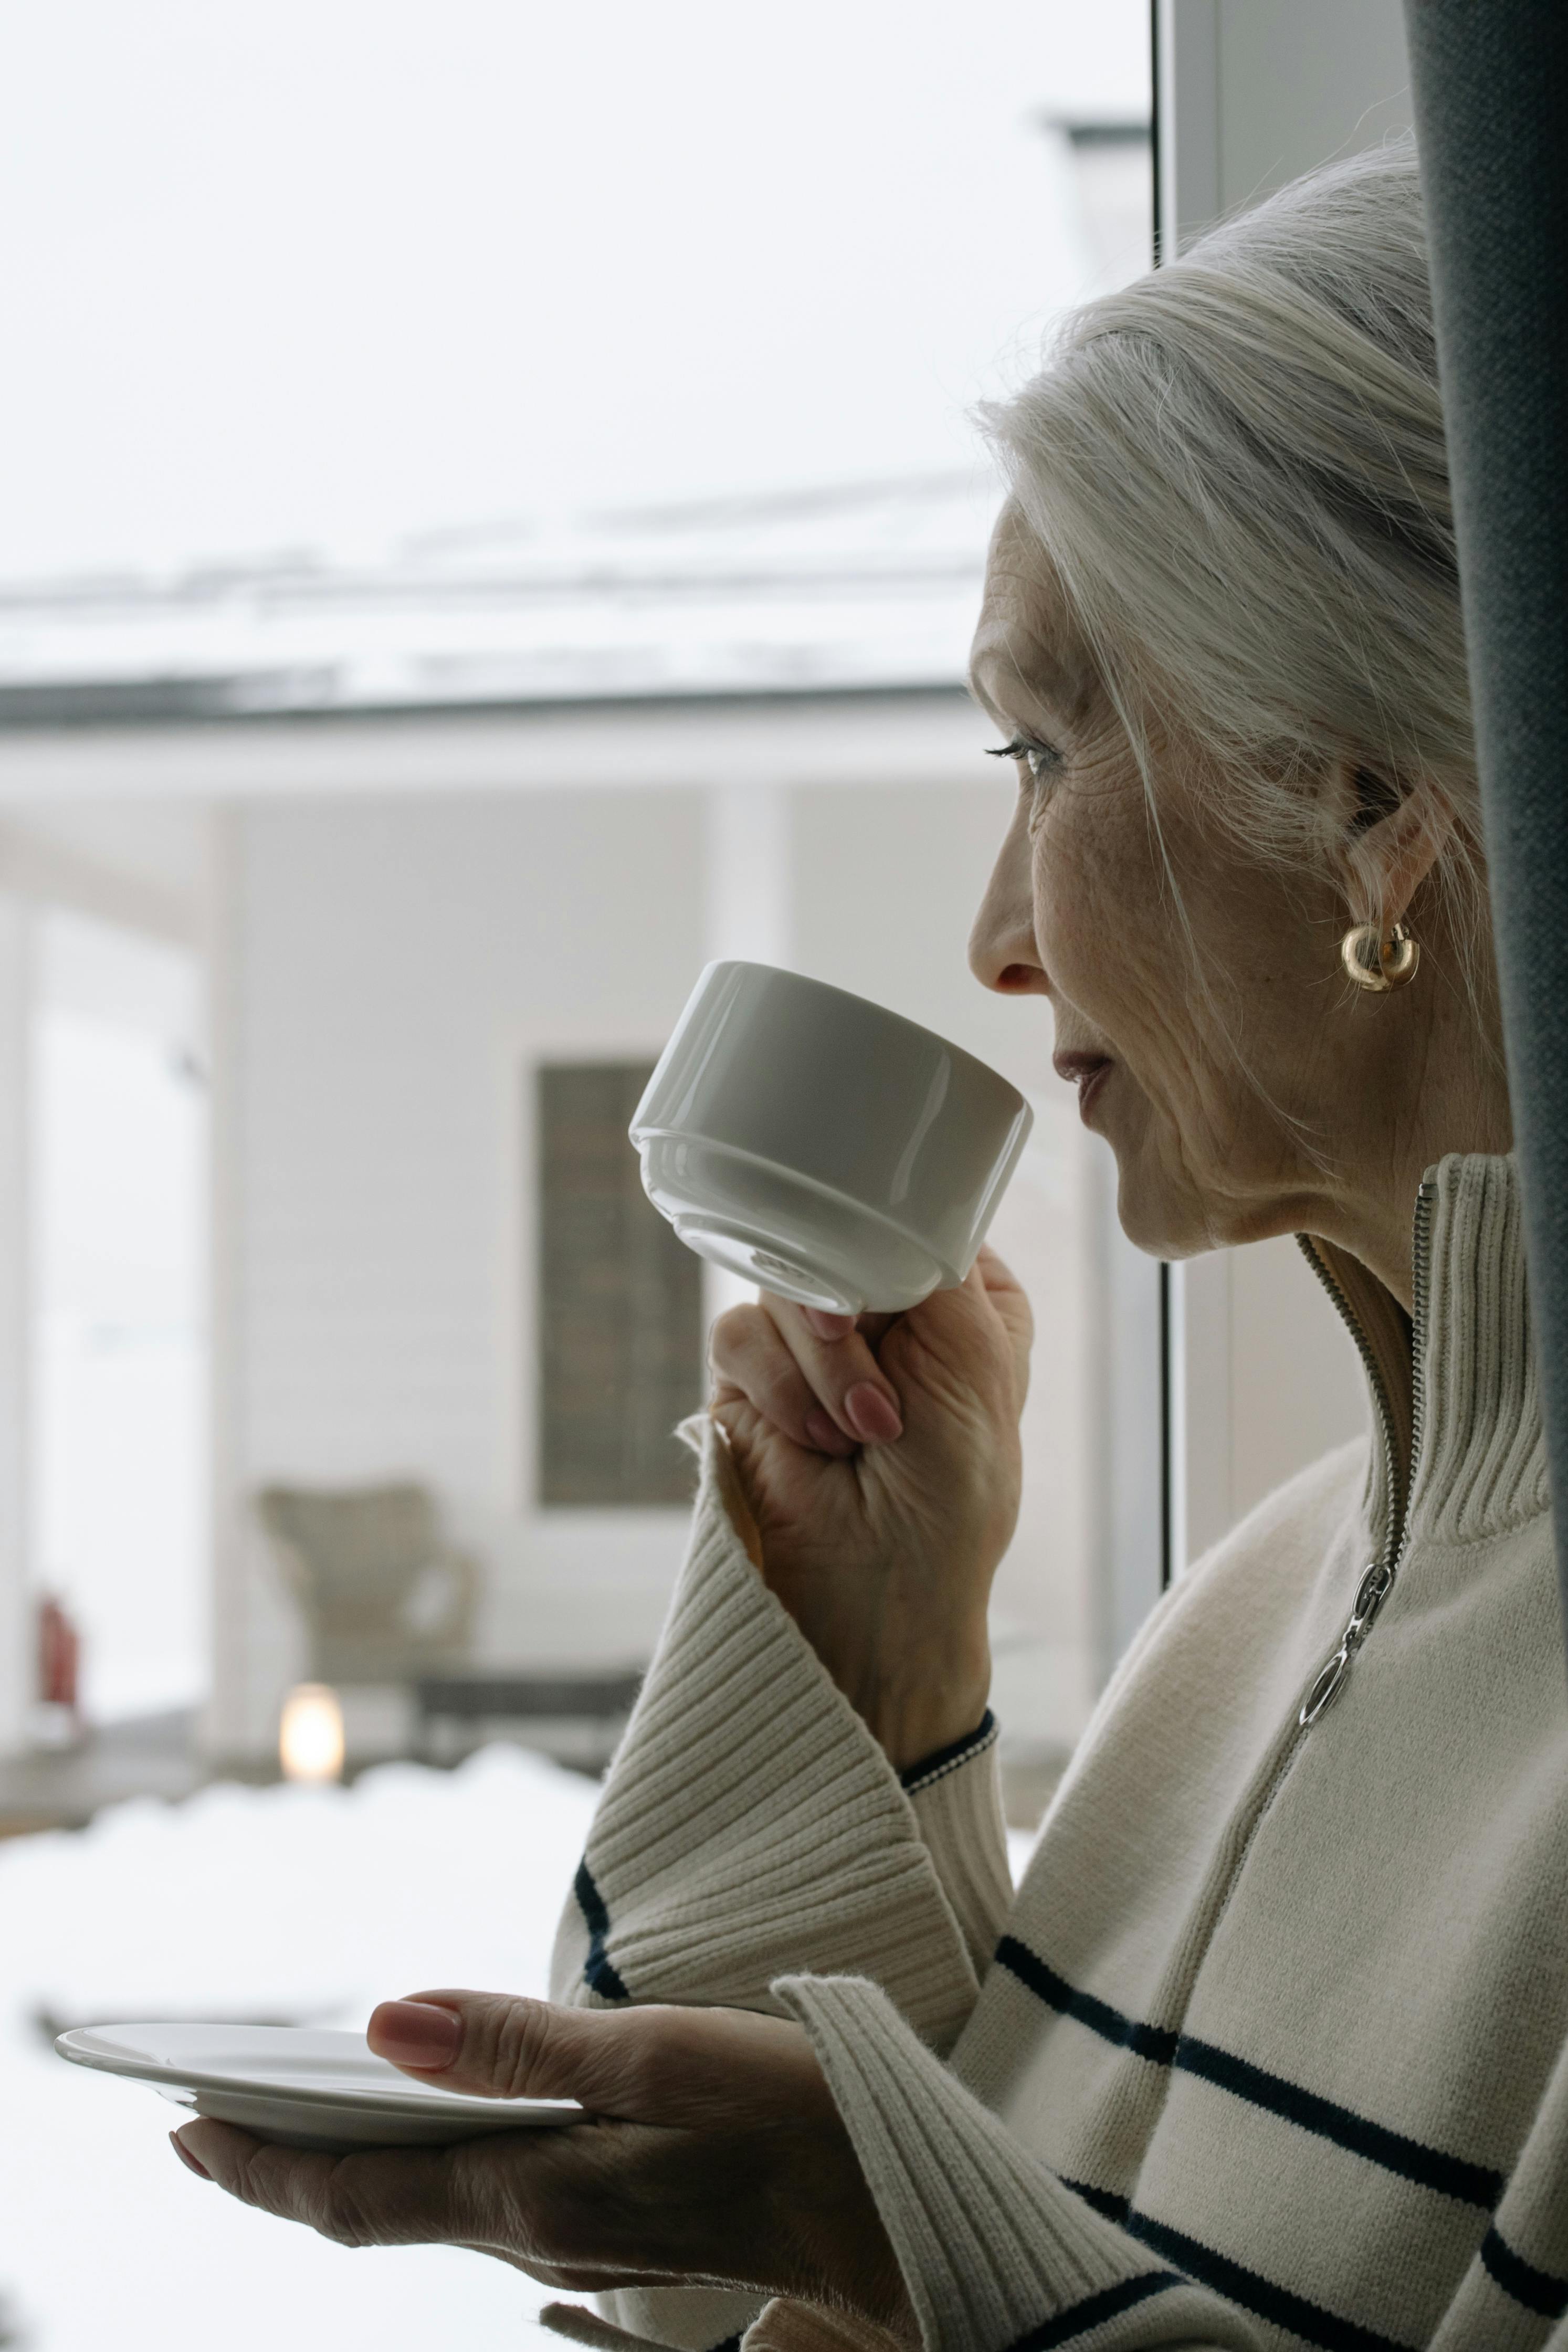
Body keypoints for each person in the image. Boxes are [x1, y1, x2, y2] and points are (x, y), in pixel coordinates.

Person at [172, 140, 1568, 2352]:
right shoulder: (1256, 1610)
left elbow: (953, 2270)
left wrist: (894, 2236)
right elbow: (728, 2303)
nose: (998, 941)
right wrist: (879, 1687)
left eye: (1036, 751)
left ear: (1376, 806)